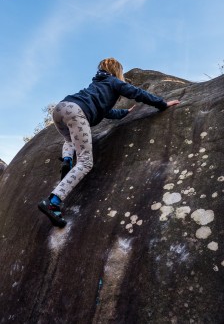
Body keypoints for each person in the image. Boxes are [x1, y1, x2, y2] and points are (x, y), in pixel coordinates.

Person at [38, 58, 180, 227]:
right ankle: (53, 202)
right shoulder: (114, 82)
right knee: (85, 162)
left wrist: (125, 112)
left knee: (69, 138)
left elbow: (106, 112)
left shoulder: (97, 85)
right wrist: (162, 104)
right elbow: (137, 93)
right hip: (77, 111)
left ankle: (67, 160)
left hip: (61, 108)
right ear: (117, 72)